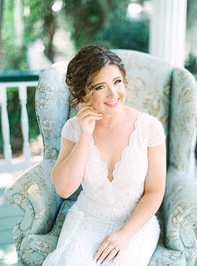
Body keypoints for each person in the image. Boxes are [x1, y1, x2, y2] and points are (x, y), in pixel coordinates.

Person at [42, 45, 166, 266]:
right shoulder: (73, 129)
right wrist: (85, 136)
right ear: (83, 93)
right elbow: (64, 189)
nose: (113, 94)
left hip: (135, 223)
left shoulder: (149, 128)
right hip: (86, 218)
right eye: (100, 86)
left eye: (117, 82)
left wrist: (125, 235)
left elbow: (155, 192)